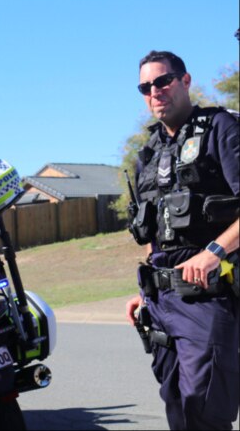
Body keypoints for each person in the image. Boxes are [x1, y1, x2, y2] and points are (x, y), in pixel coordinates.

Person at [125, 50, 239, 430]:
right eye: (146, 86)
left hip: (207, 292)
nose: (155, 91)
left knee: (203, 410)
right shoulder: (149, 152)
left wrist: (213, 252)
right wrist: (145, 291)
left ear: (185, 81)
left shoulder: (220, 128)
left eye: (163, 81)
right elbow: (153, 230)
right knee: (177, 406)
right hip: (160, 300)